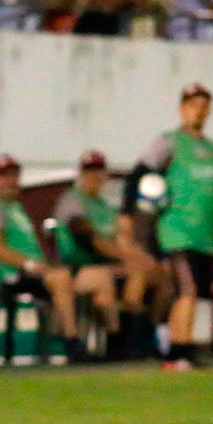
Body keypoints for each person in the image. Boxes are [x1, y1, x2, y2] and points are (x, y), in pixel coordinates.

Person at [122, 83, 213, 371]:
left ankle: (185, 347)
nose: (199, 110)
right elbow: (139, 176)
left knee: (198, 293)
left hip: (204, 234)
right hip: (176, 230)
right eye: (193, 104)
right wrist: (129, 214)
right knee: (188, 289)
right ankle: (175, 351)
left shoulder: (211, 149)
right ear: (182, 109)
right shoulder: (168, 142)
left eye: (204, 105)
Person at [0, 154, 89, 363]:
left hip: (35, 270)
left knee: (89, 280)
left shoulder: (18, 207)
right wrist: (29, 264)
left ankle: (97, 342)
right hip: (13, 274)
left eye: (13, 175)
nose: (9, 180)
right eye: (3, 176)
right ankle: (70, 340)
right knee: (61, 279)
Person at [53, 150, 160, 355]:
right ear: (81, 174)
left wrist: (141, 258)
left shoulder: (105, 206)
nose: (94, 176)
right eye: (89, 171)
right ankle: (115, 339)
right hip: (78, 266)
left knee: (150, 274)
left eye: (98, 171)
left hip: (106, 264)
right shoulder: (72, 201)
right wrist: (125, 256)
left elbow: (122, 239)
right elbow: (88, 239)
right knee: (104, 281)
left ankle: (142, 335)